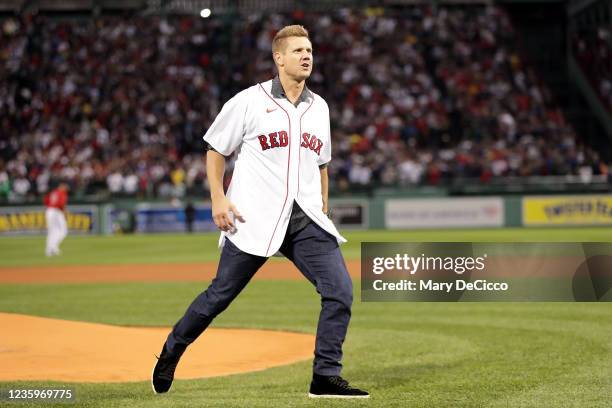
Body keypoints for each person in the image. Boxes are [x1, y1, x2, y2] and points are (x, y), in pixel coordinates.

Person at [152, 25, 368, 398]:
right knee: (218, 296)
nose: (306, 56)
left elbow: (322, 164)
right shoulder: (248, 101)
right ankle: (173, 349)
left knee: (340, 292)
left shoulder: (321, 108)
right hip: (254, 217)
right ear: (278, 58)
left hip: (304, 220)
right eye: (298, 50)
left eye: (310, 50)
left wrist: (323, 206)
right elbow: (215, 150)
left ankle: (324, 376)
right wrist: (218, 199)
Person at [44, 183, 69, 256]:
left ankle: (49, 250)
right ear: (61, 186)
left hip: (49, 210)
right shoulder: (62, 193)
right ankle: (53, 247)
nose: (66, 188)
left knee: (52, 231)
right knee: (63, 231)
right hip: (57, 211)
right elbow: (61, 204)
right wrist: (64, 213)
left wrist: (50, 207)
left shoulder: (53, 192)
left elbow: (45, 200)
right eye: (65, 187)